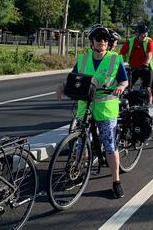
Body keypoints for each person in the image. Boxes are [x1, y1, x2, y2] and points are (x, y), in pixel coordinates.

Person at [58, 24, 129, 199]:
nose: (102, 42)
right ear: (92, 42)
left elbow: (124, 81)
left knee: (110, 146)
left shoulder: (114, 59)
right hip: (85, 107)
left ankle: (116, 181)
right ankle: (79, 171)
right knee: (80, 142)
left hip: (106, 109)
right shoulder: (83, 59)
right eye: (99, 39)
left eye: (105, 39)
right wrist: (62, 86)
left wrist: (120, 87)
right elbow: (72, 78)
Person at [120, 24, 153, 104]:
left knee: (147, 88)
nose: (145, 34)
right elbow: (121, 55)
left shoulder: (149, 41)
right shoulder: (130, 42)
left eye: (146, 32)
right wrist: (119, 66)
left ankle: (149, 104)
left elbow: (149, 55)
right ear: (137, 34)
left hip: (146, 68)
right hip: (134, 68)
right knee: (126, 86)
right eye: (143, 33)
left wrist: (145, 64)